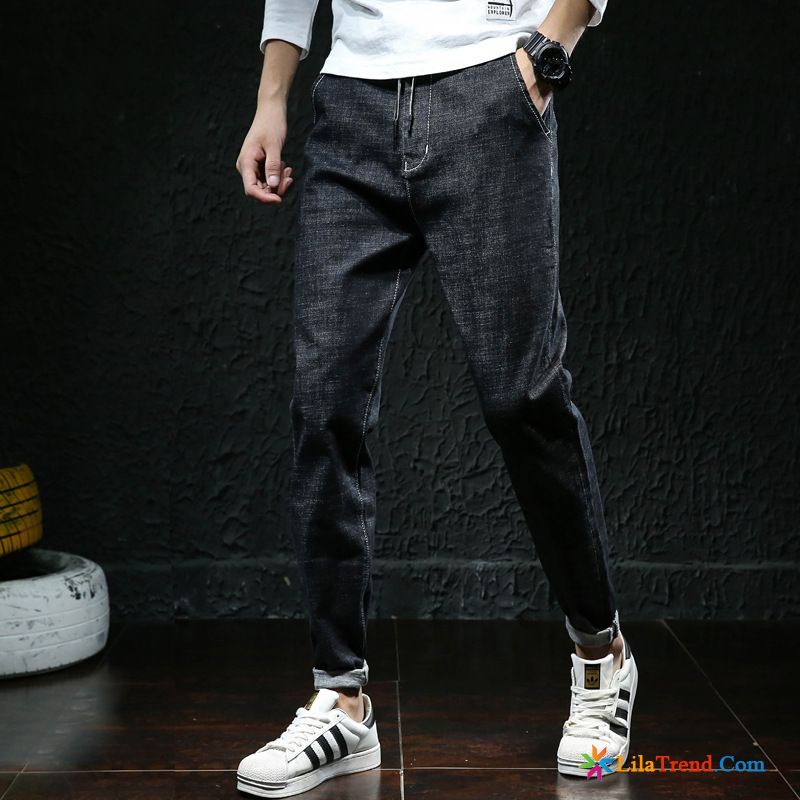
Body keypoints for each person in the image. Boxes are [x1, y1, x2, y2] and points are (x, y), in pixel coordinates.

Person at [234, 0, 638, 794]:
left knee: (522, 399)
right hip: (351, 106)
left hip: (491, 85)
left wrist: (546, 53)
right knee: (324, 407)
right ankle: (341, 698)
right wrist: (272, 96)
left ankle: (602, 656)